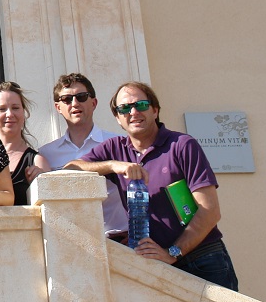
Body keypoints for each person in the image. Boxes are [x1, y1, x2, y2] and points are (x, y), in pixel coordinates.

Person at [65, 81, 238, 291]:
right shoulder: (114, 148)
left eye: (142, 105)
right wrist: (113, 165)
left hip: (202, 260)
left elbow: (210, 212)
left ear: (155, 110)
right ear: (118, 118)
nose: (134, 112)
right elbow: (72, 167)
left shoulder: (182, 145)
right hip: (154, 264)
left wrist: (173, 252)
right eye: (125, 108)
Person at [37, 73, 128, 232]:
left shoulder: (119, 144)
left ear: (93, 103)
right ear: (58, 107)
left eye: (81, 97)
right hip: (69, 242)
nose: (74, 103)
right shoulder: (46, 154)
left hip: (119, 240)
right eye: (66, 99)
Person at [0, 81, 49, 205]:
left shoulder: (37, 162)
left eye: (15, 108)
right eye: (2, 109)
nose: (9, 114)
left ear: (23, 113)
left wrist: (41, 184)